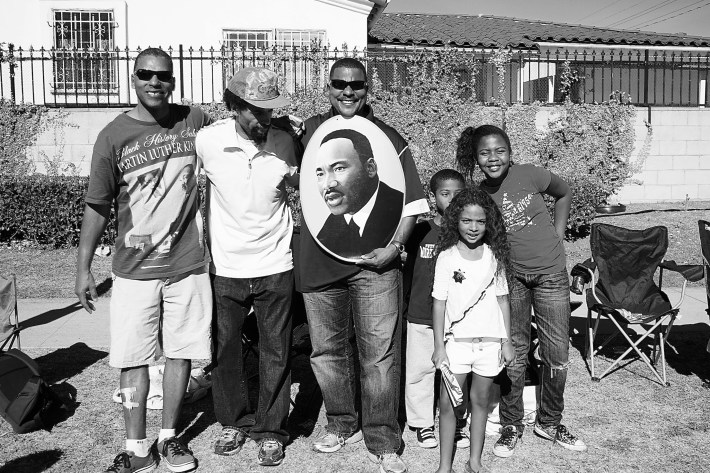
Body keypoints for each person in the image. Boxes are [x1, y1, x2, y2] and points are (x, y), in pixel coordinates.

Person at [75, 47, 212, 473]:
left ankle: (170, 439)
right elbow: (97, 205)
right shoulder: (112, 135)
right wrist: (83, 267)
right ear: (132, 78)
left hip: (188, 264)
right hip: (133, 270)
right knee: (133, 358)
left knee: (180, 352)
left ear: (174, 80)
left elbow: (241, 126)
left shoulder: (194, 121)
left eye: (163, 76)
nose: (155, 82)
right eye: (145, 75)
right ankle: (137, 449)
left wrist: (280, 123)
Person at [298, 57, 429, 473]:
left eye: (356, 85)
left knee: (380, 355)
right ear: (329, 86)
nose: (348, 92)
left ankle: (383, 437)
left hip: (377, 265)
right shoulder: (308, 133)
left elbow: (413, 203)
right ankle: (341, 422)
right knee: (326, 351)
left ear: (368, 88)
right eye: (340, 84)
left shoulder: (387, 138)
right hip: (319, 262)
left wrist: (395, 247)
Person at [456, 125, 587, 457]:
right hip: (512, 279)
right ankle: (511, 424)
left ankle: (550, 422)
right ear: (476, 158)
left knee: (556, 354)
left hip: (552, 275)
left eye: (500, 150)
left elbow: (564, 192)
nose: (493, 158)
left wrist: (558, 235)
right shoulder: (480, 196)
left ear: (510, 152)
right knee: (513, 353)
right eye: (484, 153)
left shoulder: (530, 175)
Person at [195, 67, 299, 467]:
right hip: (225, 266)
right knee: (225, 351)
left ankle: (271, 430)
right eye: (258, 110)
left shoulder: (285, 142)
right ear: (233, 107)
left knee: (276, 351)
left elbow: (303, 184)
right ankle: (234, 422)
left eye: (272, 110)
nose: (266, 118)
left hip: (276, 263)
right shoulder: (208, 141)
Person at [430, 187, 515, 473]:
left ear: (487, 222)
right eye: (467, 220)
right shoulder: (446, 257)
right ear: (456, 220)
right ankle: (444, 467)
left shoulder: (495, 256)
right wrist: (439, 346)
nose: (474, 227)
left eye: (480, 221)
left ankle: (474, 462)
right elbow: (439, 304)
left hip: (490, 344)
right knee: (448, 403)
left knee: (480, 402)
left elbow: (503, 300)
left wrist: (506, 341)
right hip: (456, 344)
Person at [403, 169, 469, 450]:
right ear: (433, 197)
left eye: (457, 194)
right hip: (421, 313)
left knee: (455, 372)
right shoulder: (419, 231)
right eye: (445, 193)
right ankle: (422, 424)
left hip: (457, 317)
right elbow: (405, 270)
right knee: (420, 370)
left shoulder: (470, 231)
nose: (452, 199)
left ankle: (454, 423)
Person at [315, 128, 404, 258]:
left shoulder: (399, 209)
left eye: (339, 168)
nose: (327, 184)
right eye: (320, 174)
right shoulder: (326, 233)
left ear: (370, 168)